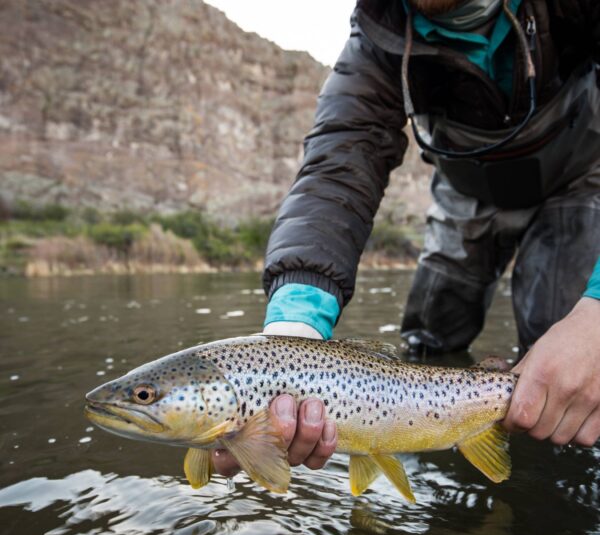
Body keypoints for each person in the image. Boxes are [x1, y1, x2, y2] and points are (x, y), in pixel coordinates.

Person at [213, 0, 600, 477]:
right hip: (466, 190)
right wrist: (293, 335)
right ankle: (436, 443)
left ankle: (551, 498)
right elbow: (337, 172)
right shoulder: (377, 40)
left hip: (582, 177)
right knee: (430, 335)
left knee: (562, 355)